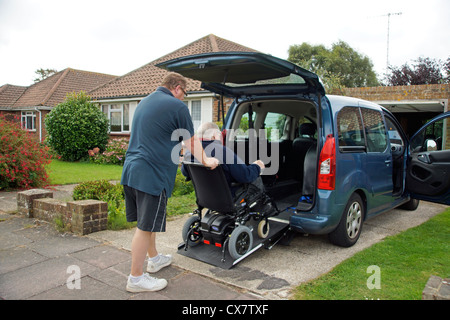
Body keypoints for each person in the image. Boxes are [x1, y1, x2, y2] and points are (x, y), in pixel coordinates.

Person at [121, 73, 219, 293]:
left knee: (148, 221)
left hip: (131, 170)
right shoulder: (176, 107)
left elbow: (158, 136)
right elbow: (191, 141)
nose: (183, 99)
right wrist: (207, 159)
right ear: (177, 88)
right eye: (184, 94)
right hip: (151, 174)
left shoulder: (144, 102)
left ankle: (154, 259)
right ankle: (135, 278)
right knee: (145, 227)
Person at [181, 122, 275, 213]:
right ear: (214, 136)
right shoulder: (223, 151)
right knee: (256, 178)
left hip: (204, 198)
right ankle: (264, 210)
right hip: (229, 198)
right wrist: (257, 166)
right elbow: (245, 176)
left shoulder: (190, 152)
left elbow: (185, 173)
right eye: (220, 136)